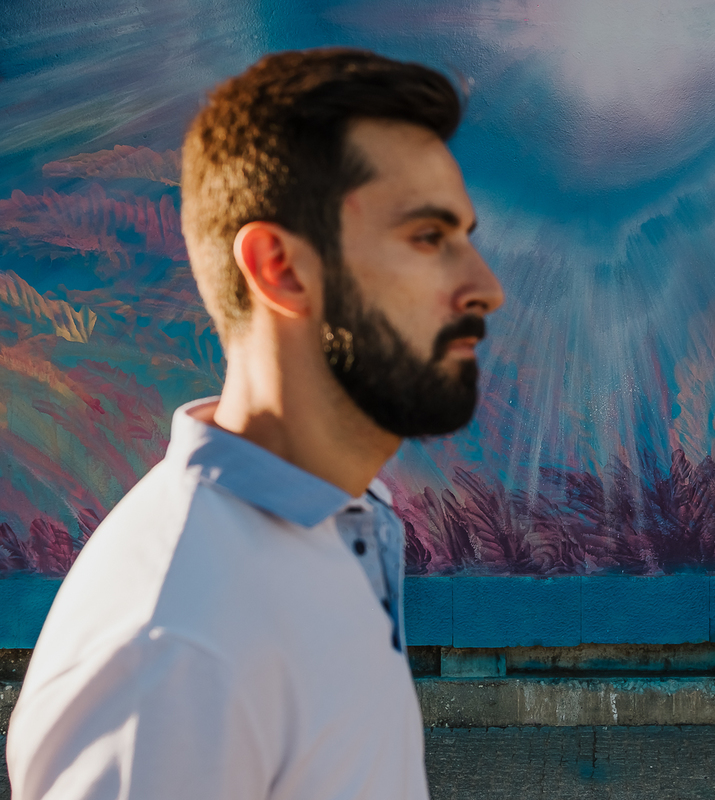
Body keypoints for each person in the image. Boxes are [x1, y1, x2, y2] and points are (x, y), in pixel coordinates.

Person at [6, 48, 503, 800]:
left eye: (466, 236)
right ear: (280, 267)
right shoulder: (171, 649)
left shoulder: (343, 528)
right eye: (429, 238)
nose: (485, 288)